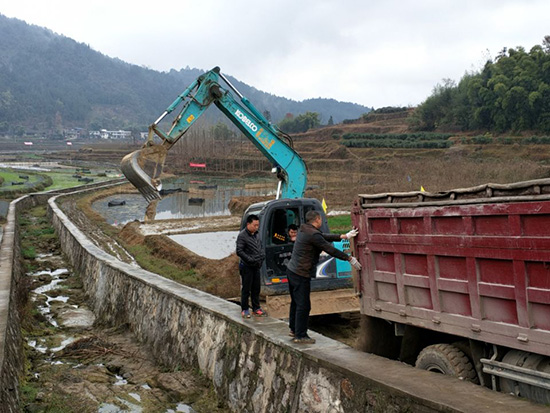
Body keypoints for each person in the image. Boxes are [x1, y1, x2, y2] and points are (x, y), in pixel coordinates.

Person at [287, 210, 362, 344]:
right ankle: (300, 335)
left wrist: (344, 236)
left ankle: (293, 329)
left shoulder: (305, 229)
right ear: (317, 220)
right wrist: (349, 258)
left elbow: (323, 236)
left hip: (292, 271)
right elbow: (329, 249)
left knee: (295, 302)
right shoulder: (312, 234)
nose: (321, 221)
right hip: (300, 273)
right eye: (321, 219)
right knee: (303, 305)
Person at [236, 214, 266, 318]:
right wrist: (249, 259)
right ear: (248, 224)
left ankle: (256, 308)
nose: (256, 227)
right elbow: (239, 251)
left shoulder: (256, 234)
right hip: (246, 266)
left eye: (258, 225)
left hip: (256, 266)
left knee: (256, 288)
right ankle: (244, 309)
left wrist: (262, 256)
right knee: (246, 288)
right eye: (254, 225)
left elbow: (260, 247)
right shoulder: (242, 236)